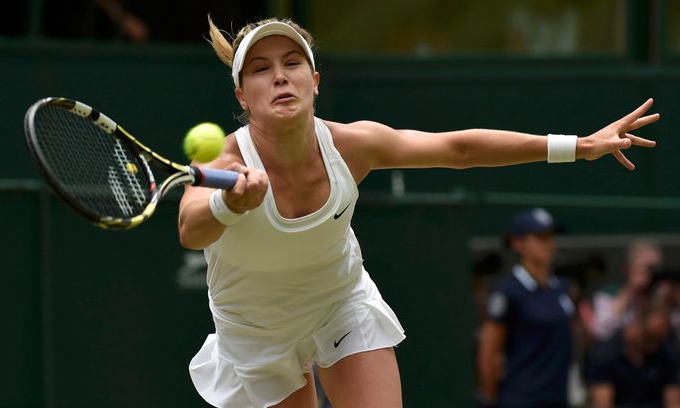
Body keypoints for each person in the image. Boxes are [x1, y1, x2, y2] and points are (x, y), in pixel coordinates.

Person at [177, 16, 659, 408]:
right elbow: (190, 229)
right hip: (256, 331)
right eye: (260, 69)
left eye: (292, 62)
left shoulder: (354, 145)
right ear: (242, 95)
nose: (280, 75)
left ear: (315, 81)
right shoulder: (222, 160)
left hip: (337, 304)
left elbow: (459, 149)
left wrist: (580, 145)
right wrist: (228, 202)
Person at [476, 208, 575, 408]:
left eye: (550, 236)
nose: (548, 244)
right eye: (540, 237)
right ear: (518, 243)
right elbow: (488, 354)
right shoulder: (507, 292)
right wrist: (492, 398)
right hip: (520, 399)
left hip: (558, 398)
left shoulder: (562, 288)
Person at [587, 307, 680, 408]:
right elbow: (603, 403)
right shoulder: (605, 354)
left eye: (658, 339)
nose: (654, 345)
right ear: (636, 325)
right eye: (649, 338)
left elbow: (673, 400)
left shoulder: (666, 354)